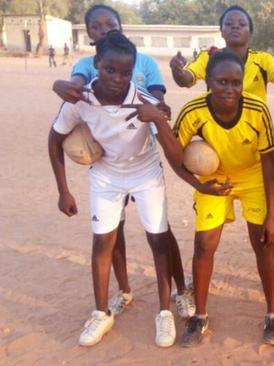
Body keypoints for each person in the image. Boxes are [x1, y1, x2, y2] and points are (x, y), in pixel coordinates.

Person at [50, 4, 194, 319]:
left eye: (110, 24)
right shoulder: (86, 71)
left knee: (160, 234)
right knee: (110, 237)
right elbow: (72, 89)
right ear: (93, 46)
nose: (105, 30)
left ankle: (179, 291)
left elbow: (159, 102)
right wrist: (59, 86)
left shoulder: (141, 63)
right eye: (97, 27)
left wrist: (158, 113)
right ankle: (123, 292)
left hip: (143, 159)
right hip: (106, 167)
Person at [169, 5, 274, 299]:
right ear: (222, 30)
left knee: (268, 227)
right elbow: (186, 79)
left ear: (251, 31)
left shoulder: (263, 60)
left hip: (252, 147)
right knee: (206, 239)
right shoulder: (208, 58)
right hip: (216, 153)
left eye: (242, 23)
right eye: (229, 23)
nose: (235, 26)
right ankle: (199, 281)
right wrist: (177, 71)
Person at [172, 51, 274, 348]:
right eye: (222, 81)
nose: (229, 89)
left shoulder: (257, 109)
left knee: (265, 243)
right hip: (214, 179)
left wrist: (272, 215)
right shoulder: (193, 112)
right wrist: (200, 185)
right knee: (204, 244)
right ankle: (201, 315)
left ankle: (272, 314)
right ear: (208, 81)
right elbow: (174, 156)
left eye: (236, 82)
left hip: (252, 177)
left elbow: (269, 162)